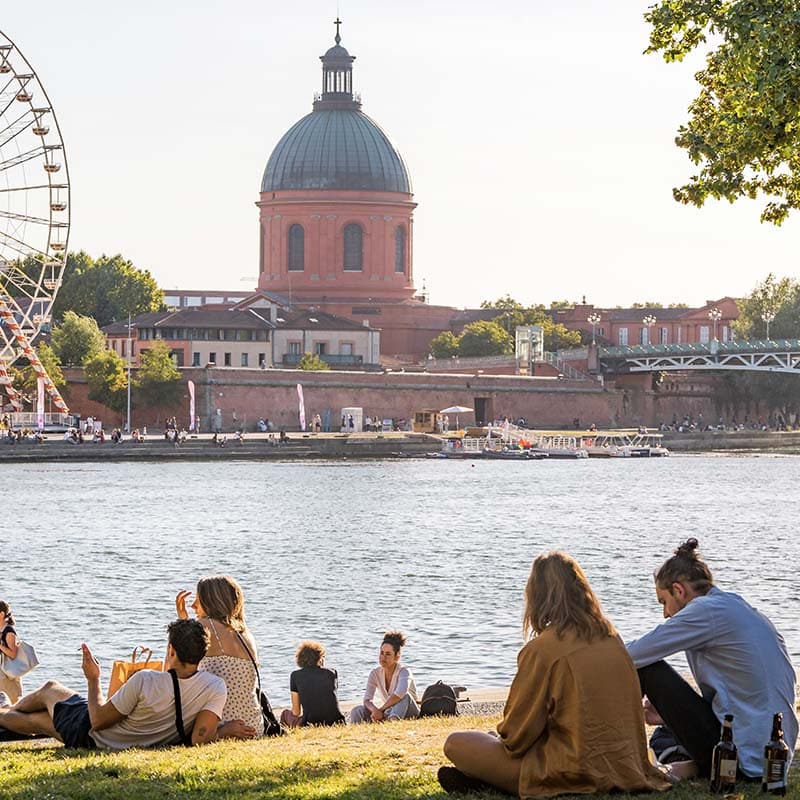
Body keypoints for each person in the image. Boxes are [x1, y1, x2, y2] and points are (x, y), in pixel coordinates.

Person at [439, 552, 670, 797]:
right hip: (625, 767)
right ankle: (484, 780)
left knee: (457, 743)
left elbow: (516, 738)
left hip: (571, 770)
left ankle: (488, 780)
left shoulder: (543, 649)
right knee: (487, 740)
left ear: (537, 597)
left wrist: (496, 738)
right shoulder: (611, 638)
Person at [627, 538, 798, 780]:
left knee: (648, 667)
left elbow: (632, 655)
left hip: (739, 760)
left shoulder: (704, 611)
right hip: (771, 760)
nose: (665, 613)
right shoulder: (734, 605)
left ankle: (609, 757)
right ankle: (688, 764)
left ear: (679, 590)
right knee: (662, 736)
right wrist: (669, 714)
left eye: (664, 601)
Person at [0, 619, 254, 748]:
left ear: (171, 651)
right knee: (41, 722)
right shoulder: (214, 686)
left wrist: (93, 678)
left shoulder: (145, 680)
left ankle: (3, 710)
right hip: (113, 741)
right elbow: (200, 736)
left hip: (94, 735)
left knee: (49, 690)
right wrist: (223, 730)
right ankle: (4, 710)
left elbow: (98, 719)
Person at [175, 576, 263, 736]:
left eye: (198, 600)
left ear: (211, 602)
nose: (193, 606)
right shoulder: (246, 634)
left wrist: (183, 623)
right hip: (253, 724)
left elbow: (173, 670)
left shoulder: (203, 627)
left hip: (219, 724)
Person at [350, 631, 419, 723]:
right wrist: (374, 710)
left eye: (388, 654)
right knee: (357, 710)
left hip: (409, 711)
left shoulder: (404, 671)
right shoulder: (375, 673)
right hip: (388, 711)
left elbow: (399, 694)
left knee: (405, 696)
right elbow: (367, 700)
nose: (383, 657)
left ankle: (392, 724)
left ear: (397, 656)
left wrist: (381, 709)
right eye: (382, 653)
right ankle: (357, 733)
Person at [280, 640, 344, 728]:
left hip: (310, 723)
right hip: (337, 721)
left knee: (285, 714)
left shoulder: (296, 676)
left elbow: (296, 712)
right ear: (320, 658)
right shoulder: (332, 673)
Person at [0, 601, 22, 703]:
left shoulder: (8, 631)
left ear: (1, 614)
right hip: (3, 675)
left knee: (11, 706)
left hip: (7, 675)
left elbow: (13, 654)